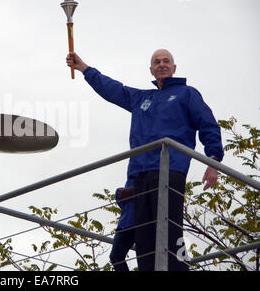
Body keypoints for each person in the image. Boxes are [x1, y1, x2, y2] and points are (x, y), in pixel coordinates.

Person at [66, 49, 224, 271]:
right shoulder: (142, 98)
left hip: (170, 169)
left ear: (174, 67)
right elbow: (113, 89)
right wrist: (84, 68)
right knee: (145, 243)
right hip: (139, 176)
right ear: (151, 69)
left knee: (169, 234)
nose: (161, 65)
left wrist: (213, 161)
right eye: (157, 62)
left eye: (166, 61)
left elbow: (208, 124)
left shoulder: (187, 94)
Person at [109, 173, 136, 271]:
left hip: (142, 222)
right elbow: (121, 196)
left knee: (146, 257)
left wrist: (135, 190)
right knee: (115, 257)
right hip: (126, 224)